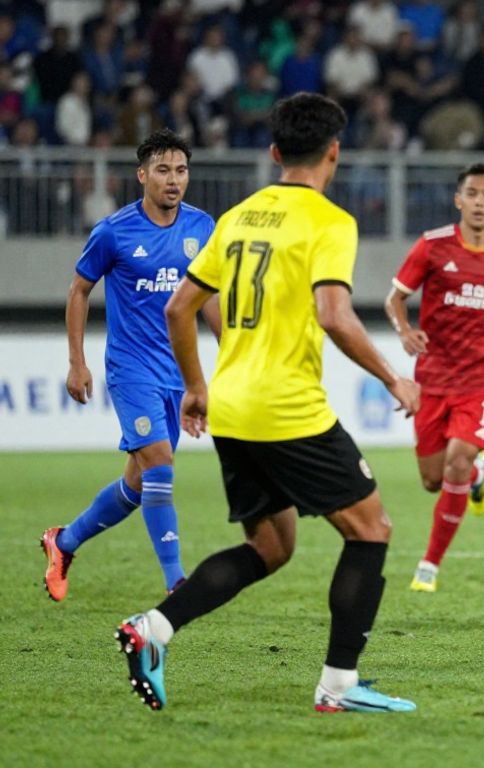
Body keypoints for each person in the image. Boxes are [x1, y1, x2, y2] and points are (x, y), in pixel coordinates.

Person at [114, 93, 421, 714]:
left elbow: (180, 307)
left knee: (272, 547)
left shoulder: (238, 217)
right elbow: (334, 315)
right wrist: (394, 377)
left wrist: (197, 385)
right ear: (334, 153)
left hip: (231, 408)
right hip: (289, 409)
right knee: (372, 529)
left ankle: (154, 629)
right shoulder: (330, 221)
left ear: (275, 152)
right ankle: (338, 686)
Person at [41, 129, 217, 602]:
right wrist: (76, 362)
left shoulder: (203, 228)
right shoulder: (114, 231)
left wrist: (233, 351)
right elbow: (79, 291)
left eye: (180, 170)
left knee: (138, 484)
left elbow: (209, 297)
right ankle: (176, 581)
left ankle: (64, 542)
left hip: (177, 372)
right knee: (160, 463)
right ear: (142, 175)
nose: (173, 179)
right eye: (162, 170)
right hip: (130, 368)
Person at [386, 163, 484, 592]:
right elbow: (395, 298)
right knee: (432, 480)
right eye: (471, 193)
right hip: (432, 378)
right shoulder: (432, 246)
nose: (479, 201)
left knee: (457, 457)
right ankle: (475, 477)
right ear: (458, 200)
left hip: (482, 380)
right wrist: (404, 331)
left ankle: (429, 566)